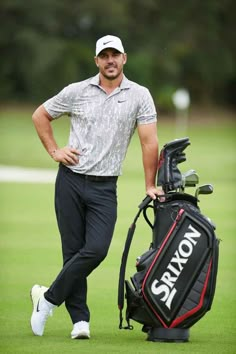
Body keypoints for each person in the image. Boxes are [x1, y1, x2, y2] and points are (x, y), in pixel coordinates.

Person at [30, 34, 162, 339]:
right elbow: (41, 115)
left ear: (124, 58)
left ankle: (47, 299)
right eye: (105, 56)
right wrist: (54, 151)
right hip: (70, 182)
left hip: (105, 188)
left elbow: (148, 141)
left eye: (115, 55)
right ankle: (80, 321)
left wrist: (150, 184)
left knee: (96, 249)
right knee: (72, 251)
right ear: (97, 61)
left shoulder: (140, 95)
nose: (110, 60)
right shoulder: (78, 91)